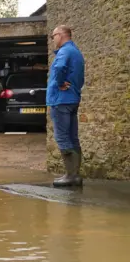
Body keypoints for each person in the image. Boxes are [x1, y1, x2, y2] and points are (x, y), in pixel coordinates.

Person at [48, 25, 85, 187]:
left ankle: (70, 175)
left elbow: (59, 67)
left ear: (61, 35)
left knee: (62, 137)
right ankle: (75, 175)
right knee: (72, 137)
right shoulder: (77, 52)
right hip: (73, 99)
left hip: (61, 100)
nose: (53, 39)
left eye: (53, 36)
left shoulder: (64, 51)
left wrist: (60, 82)